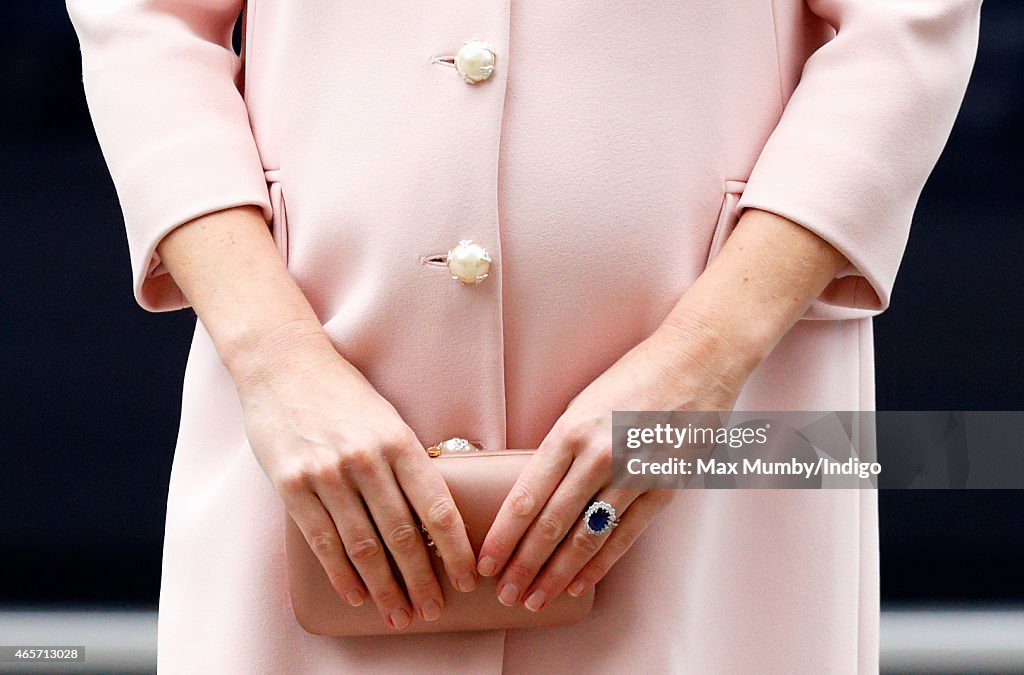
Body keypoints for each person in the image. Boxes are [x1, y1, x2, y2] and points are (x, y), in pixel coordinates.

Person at [65, 0, 981, 672]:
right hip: (313, 407)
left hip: (719, 422)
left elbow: (903, 26)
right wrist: (276, 358)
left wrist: (704, 358)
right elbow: (146, 25)